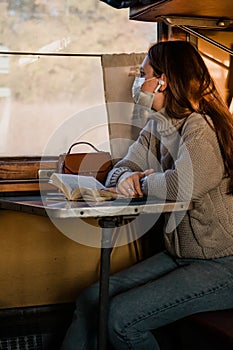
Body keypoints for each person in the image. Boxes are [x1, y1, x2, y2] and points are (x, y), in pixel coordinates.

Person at [61, 40, 233, 350]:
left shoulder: (201, 127)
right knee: (90, 298)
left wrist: (141, 181)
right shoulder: (158, 126)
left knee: (119, 318)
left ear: (163, 80)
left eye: (143, 73)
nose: (138, 81)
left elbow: (183, 185)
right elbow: (122, 167)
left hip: (223, 265)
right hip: (182, 257)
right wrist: (129, 177)